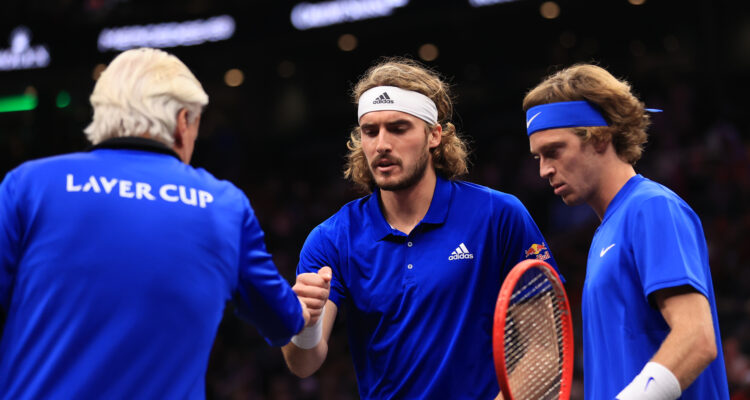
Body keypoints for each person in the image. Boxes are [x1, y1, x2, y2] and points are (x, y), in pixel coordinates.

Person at [0, 47, 309, 398]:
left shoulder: (29, 185)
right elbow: (286, 321)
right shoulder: (224, 205)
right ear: (181, 123)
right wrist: (303, 303)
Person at [281, 57, 559, 399]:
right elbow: (303, 364)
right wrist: (305, 325)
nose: (382, 144)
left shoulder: (498, 214)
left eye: (398, 128)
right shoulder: (330, 239)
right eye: (370, 131)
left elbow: (545, 348)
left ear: (434, 135)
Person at [523, 63, 730, 399]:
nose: (544, 170)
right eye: (537, 158)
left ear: (601, 137)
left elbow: (697, 338)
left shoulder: (651, 208)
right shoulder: (605, 233)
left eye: (554, 151)